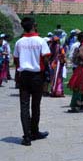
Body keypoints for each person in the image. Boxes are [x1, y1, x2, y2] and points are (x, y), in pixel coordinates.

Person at [14, 17, 50, 146]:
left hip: (23, 75)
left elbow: (16, 59)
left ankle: (27, 136)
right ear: (34, 25)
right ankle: (34, 131)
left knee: (24, 106)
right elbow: (46, 59)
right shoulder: (41, 41)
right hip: (37, 76)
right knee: (35, 105)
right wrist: (46, 73)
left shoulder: (19, 42)